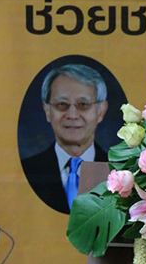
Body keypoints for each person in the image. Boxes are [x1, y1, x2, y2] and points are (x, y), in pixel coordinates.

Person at [22, 64, 109, 214]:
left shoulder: (120, 171)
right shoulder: (25, 171)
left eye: (83, 104)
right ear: (47, 111)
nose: (72, 115)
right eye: (62, 104)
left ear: (100, 111)